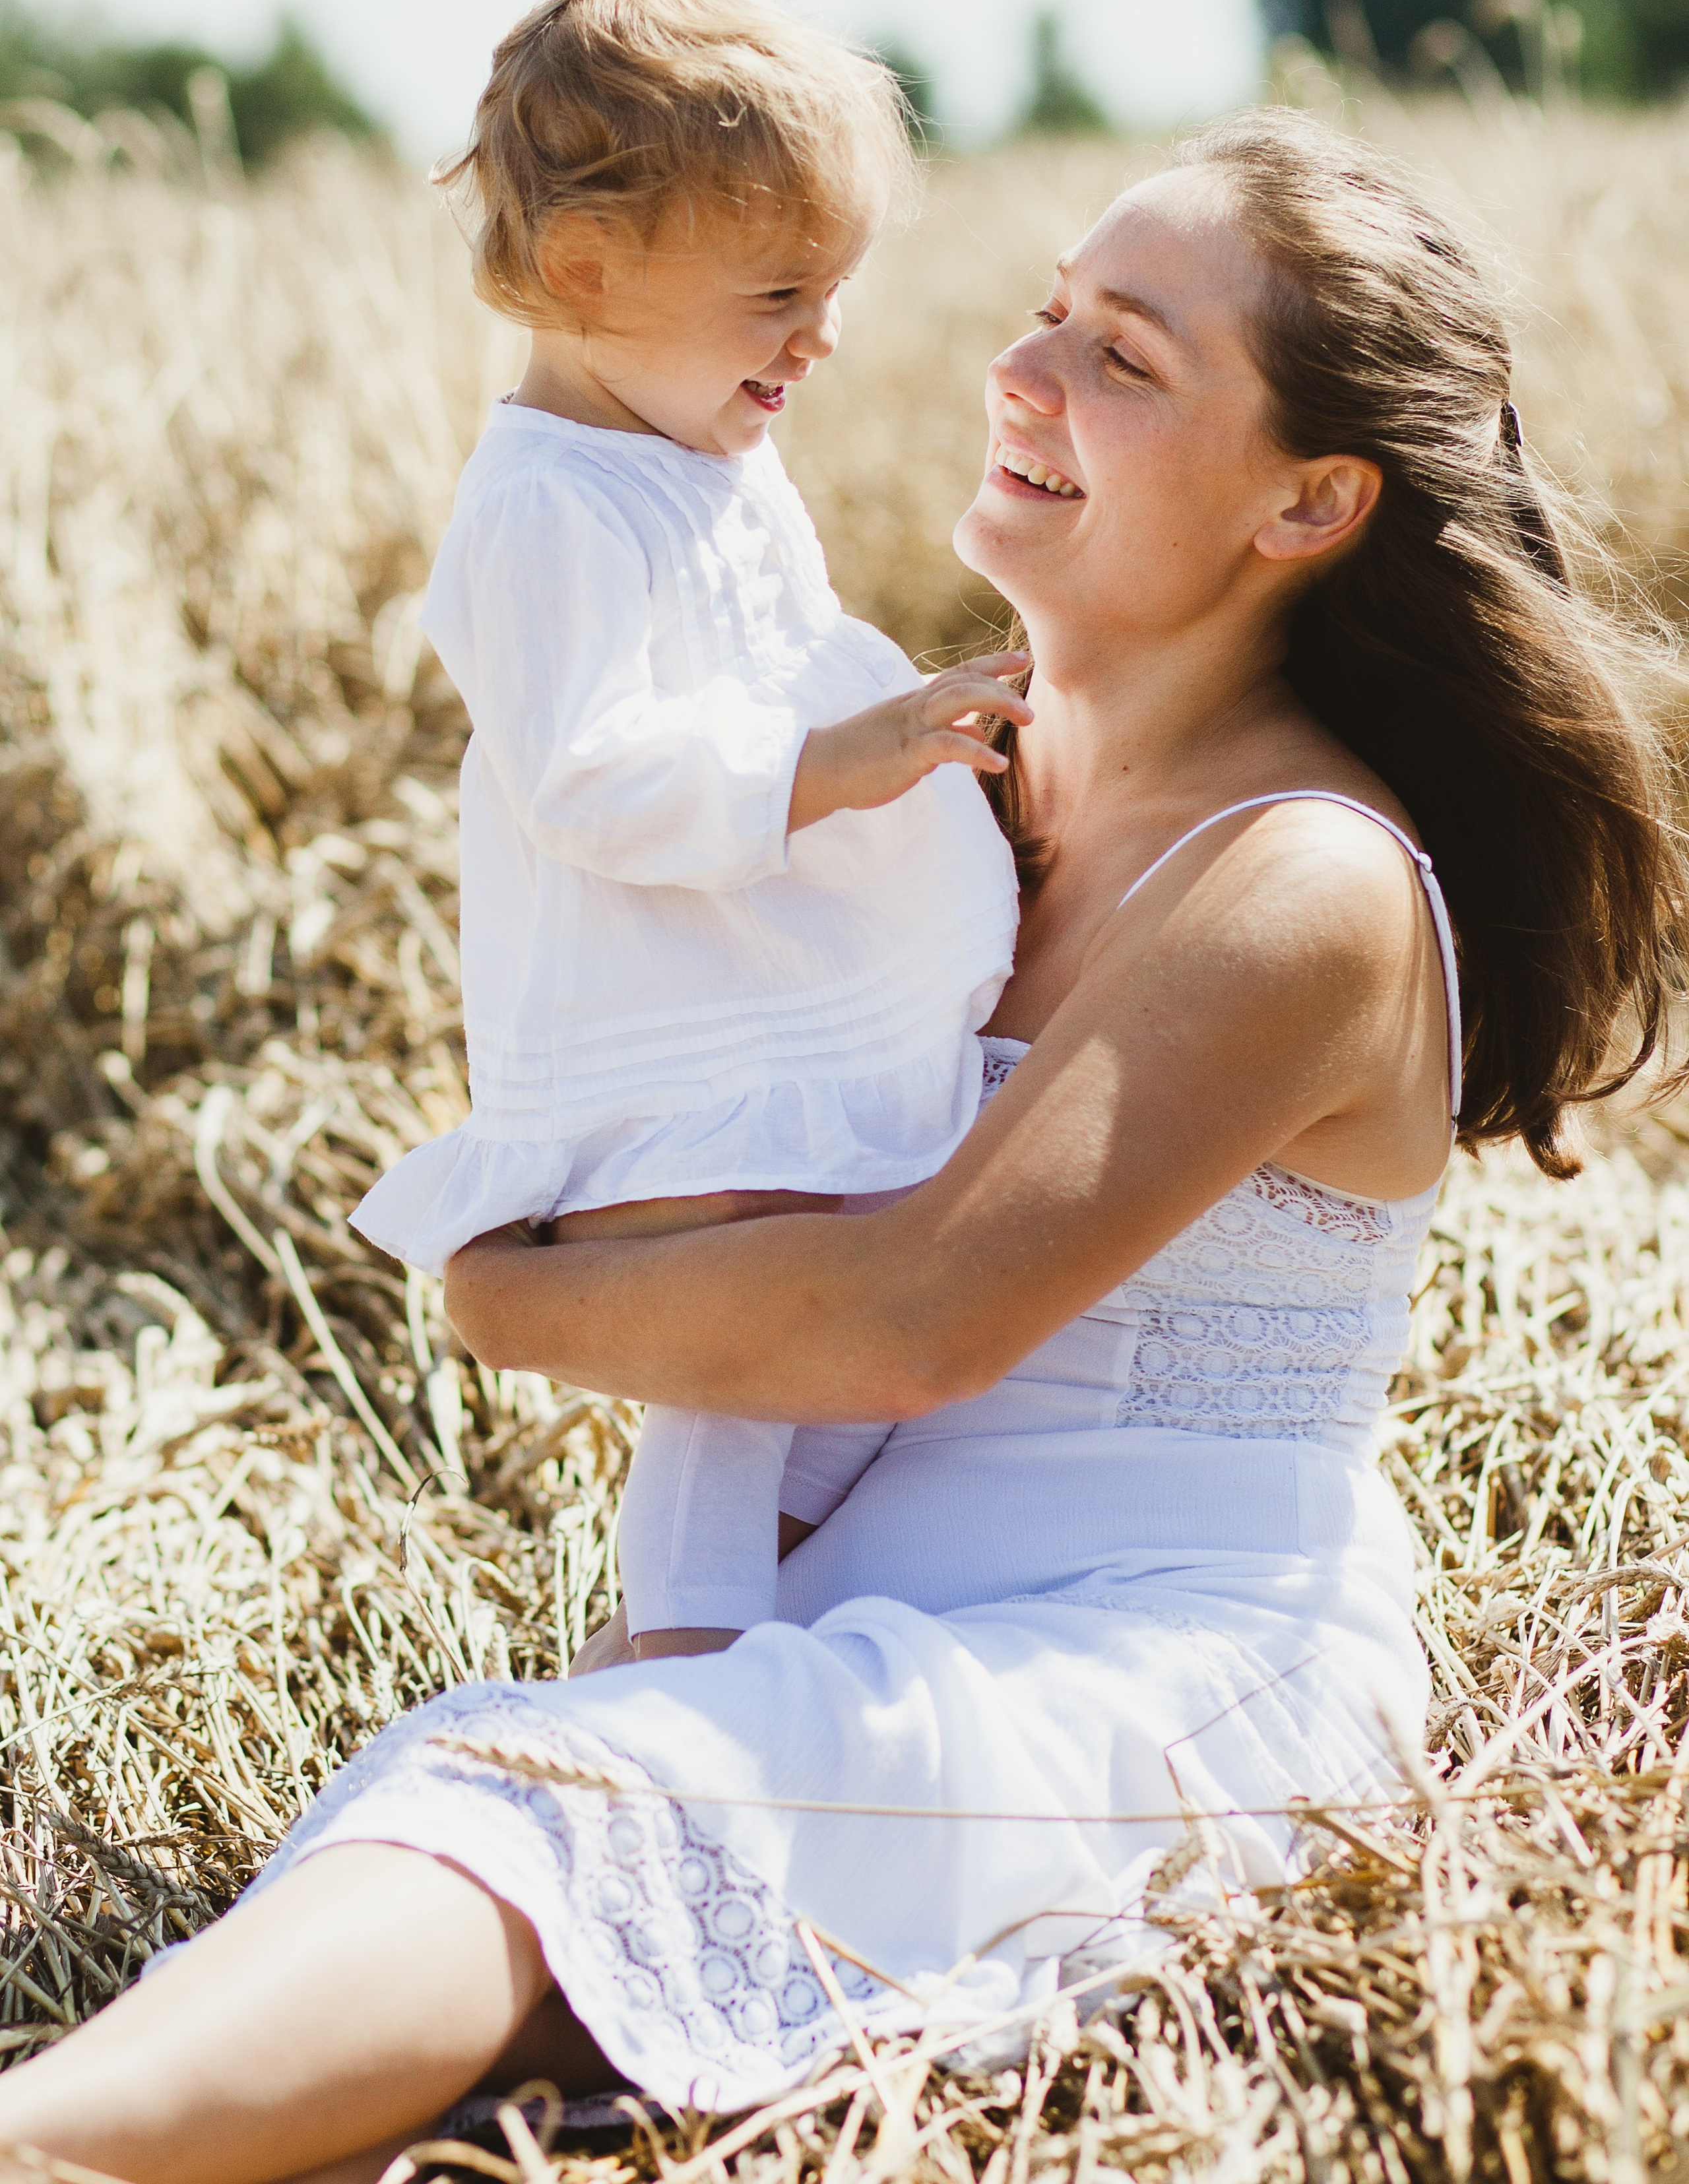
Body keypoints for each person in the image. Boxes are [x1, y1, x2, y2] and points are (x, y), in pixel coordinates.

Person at [2, 108, 1682, 2184]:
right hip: (863, 1622)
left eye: (1123, 356)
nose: (1022, 370)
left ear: (1312, 499)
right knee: (456, 1796)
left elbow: (916, 1316)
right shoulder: (942, 798)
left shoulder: (1304, 881)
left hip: (1161, 1665)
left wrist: (509, 1296)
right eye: (1048, 310)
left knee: (530, 1807)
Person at [346, 0, 1022, 1656]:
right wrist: (836, 763)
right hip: (680, 1021)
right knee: (737, 1370)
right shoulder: (545, 505)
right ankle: (679, 1648)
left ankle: (758, 1604)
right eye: (779, 293)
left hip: (774, 974)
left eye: (835, 287)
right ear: (588, 272)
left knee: (833, 1319)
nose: (821, 336)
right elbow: (583, 772)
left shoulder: (700, 446)